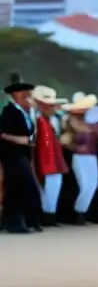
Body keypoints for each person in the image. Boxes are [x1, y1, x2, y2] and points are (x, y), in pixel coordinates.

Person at [0, 74, 43, 233]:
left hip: (22, 155)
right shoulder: (9, 111)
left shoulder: (26, 113)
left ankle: (28, 220)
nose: (26, 95)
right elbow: (2, 133)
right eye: (22, 92)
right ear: (14, 95)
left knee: (24, 187)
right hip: (11, 154)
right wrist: (21, 140)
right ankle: (15, 222)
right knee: (20, 187)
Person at [31, 86, 68, 227]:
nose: (53, 109)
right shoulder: (39, 121)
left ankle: (50, 215)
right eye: (50, 106)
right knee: (48, 187)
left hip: (52, 160)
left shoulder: (49, 121)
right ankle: (46, 215)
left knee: (54, 186)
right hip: (45, 160)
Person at [63, 93, 98, 224]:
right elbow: (64, 141)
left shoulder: (89, 121)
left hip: (92, 157)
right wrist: (76, 148)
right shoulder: (69, 121)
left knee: (93, 184)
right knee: (85, 185)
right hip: (80, 157)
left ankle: (82, 212)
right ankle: (78, 213)